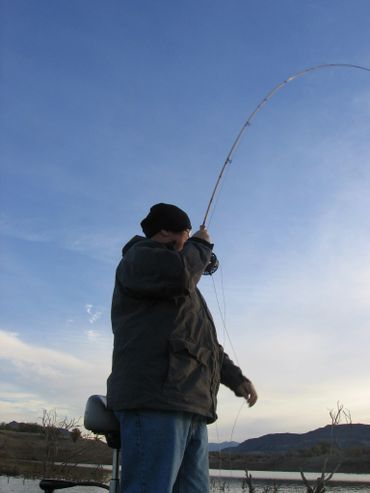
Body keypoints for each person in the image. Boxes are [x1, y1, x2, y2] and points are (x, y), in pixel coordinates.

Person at [107, 203, 257, 493]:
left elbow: (206, 345)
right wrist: (201, 243)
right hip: (156, 400)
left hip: (190, 404)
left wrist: (236, 378)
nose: (188, 244)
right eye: (186, 236)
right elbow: (179, 275)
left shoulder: (183, 283)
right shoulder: (141, 258)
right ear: (167, 231)